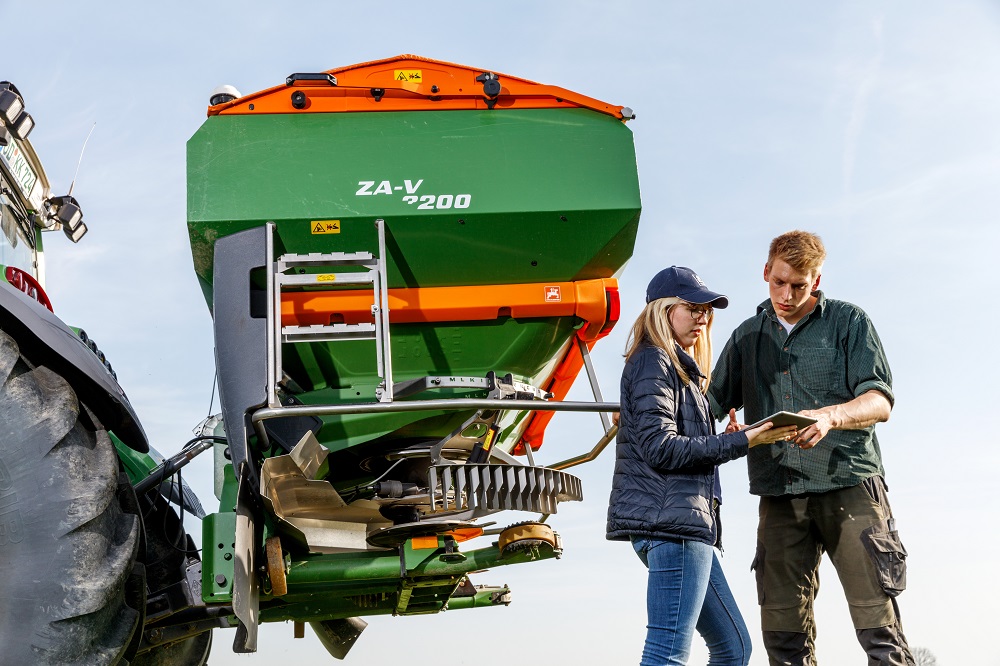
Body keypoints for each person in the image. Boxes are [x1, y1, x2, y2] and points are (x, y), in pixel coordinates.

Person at [708, 231, 914, 665]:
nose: (786, 294)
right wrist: (644, 411)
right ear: (766, 272)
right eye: (779, 282)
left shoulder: (849, 322)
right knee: (783, 642)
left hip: (851, 486)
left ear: (816, 280)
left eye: (799, 285)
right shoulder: (746, 337)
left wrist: (830, 416)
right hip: (779, 495)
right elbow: (704, 404)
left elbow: (880, 400)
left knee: (881, 634)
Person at [607, 266, 796, 666]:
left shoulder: (678, 370)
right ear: (663, 309)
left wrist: (732, 435)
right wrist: (744, 439)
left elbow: (674, 442)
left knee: (734, 648)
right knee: (668, 653)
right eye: (692, 307)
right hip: (672, 529)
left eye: (707, 310)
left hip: (685, 527)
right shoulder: (652, 361)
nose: (703, 317)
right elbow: (663, 449)